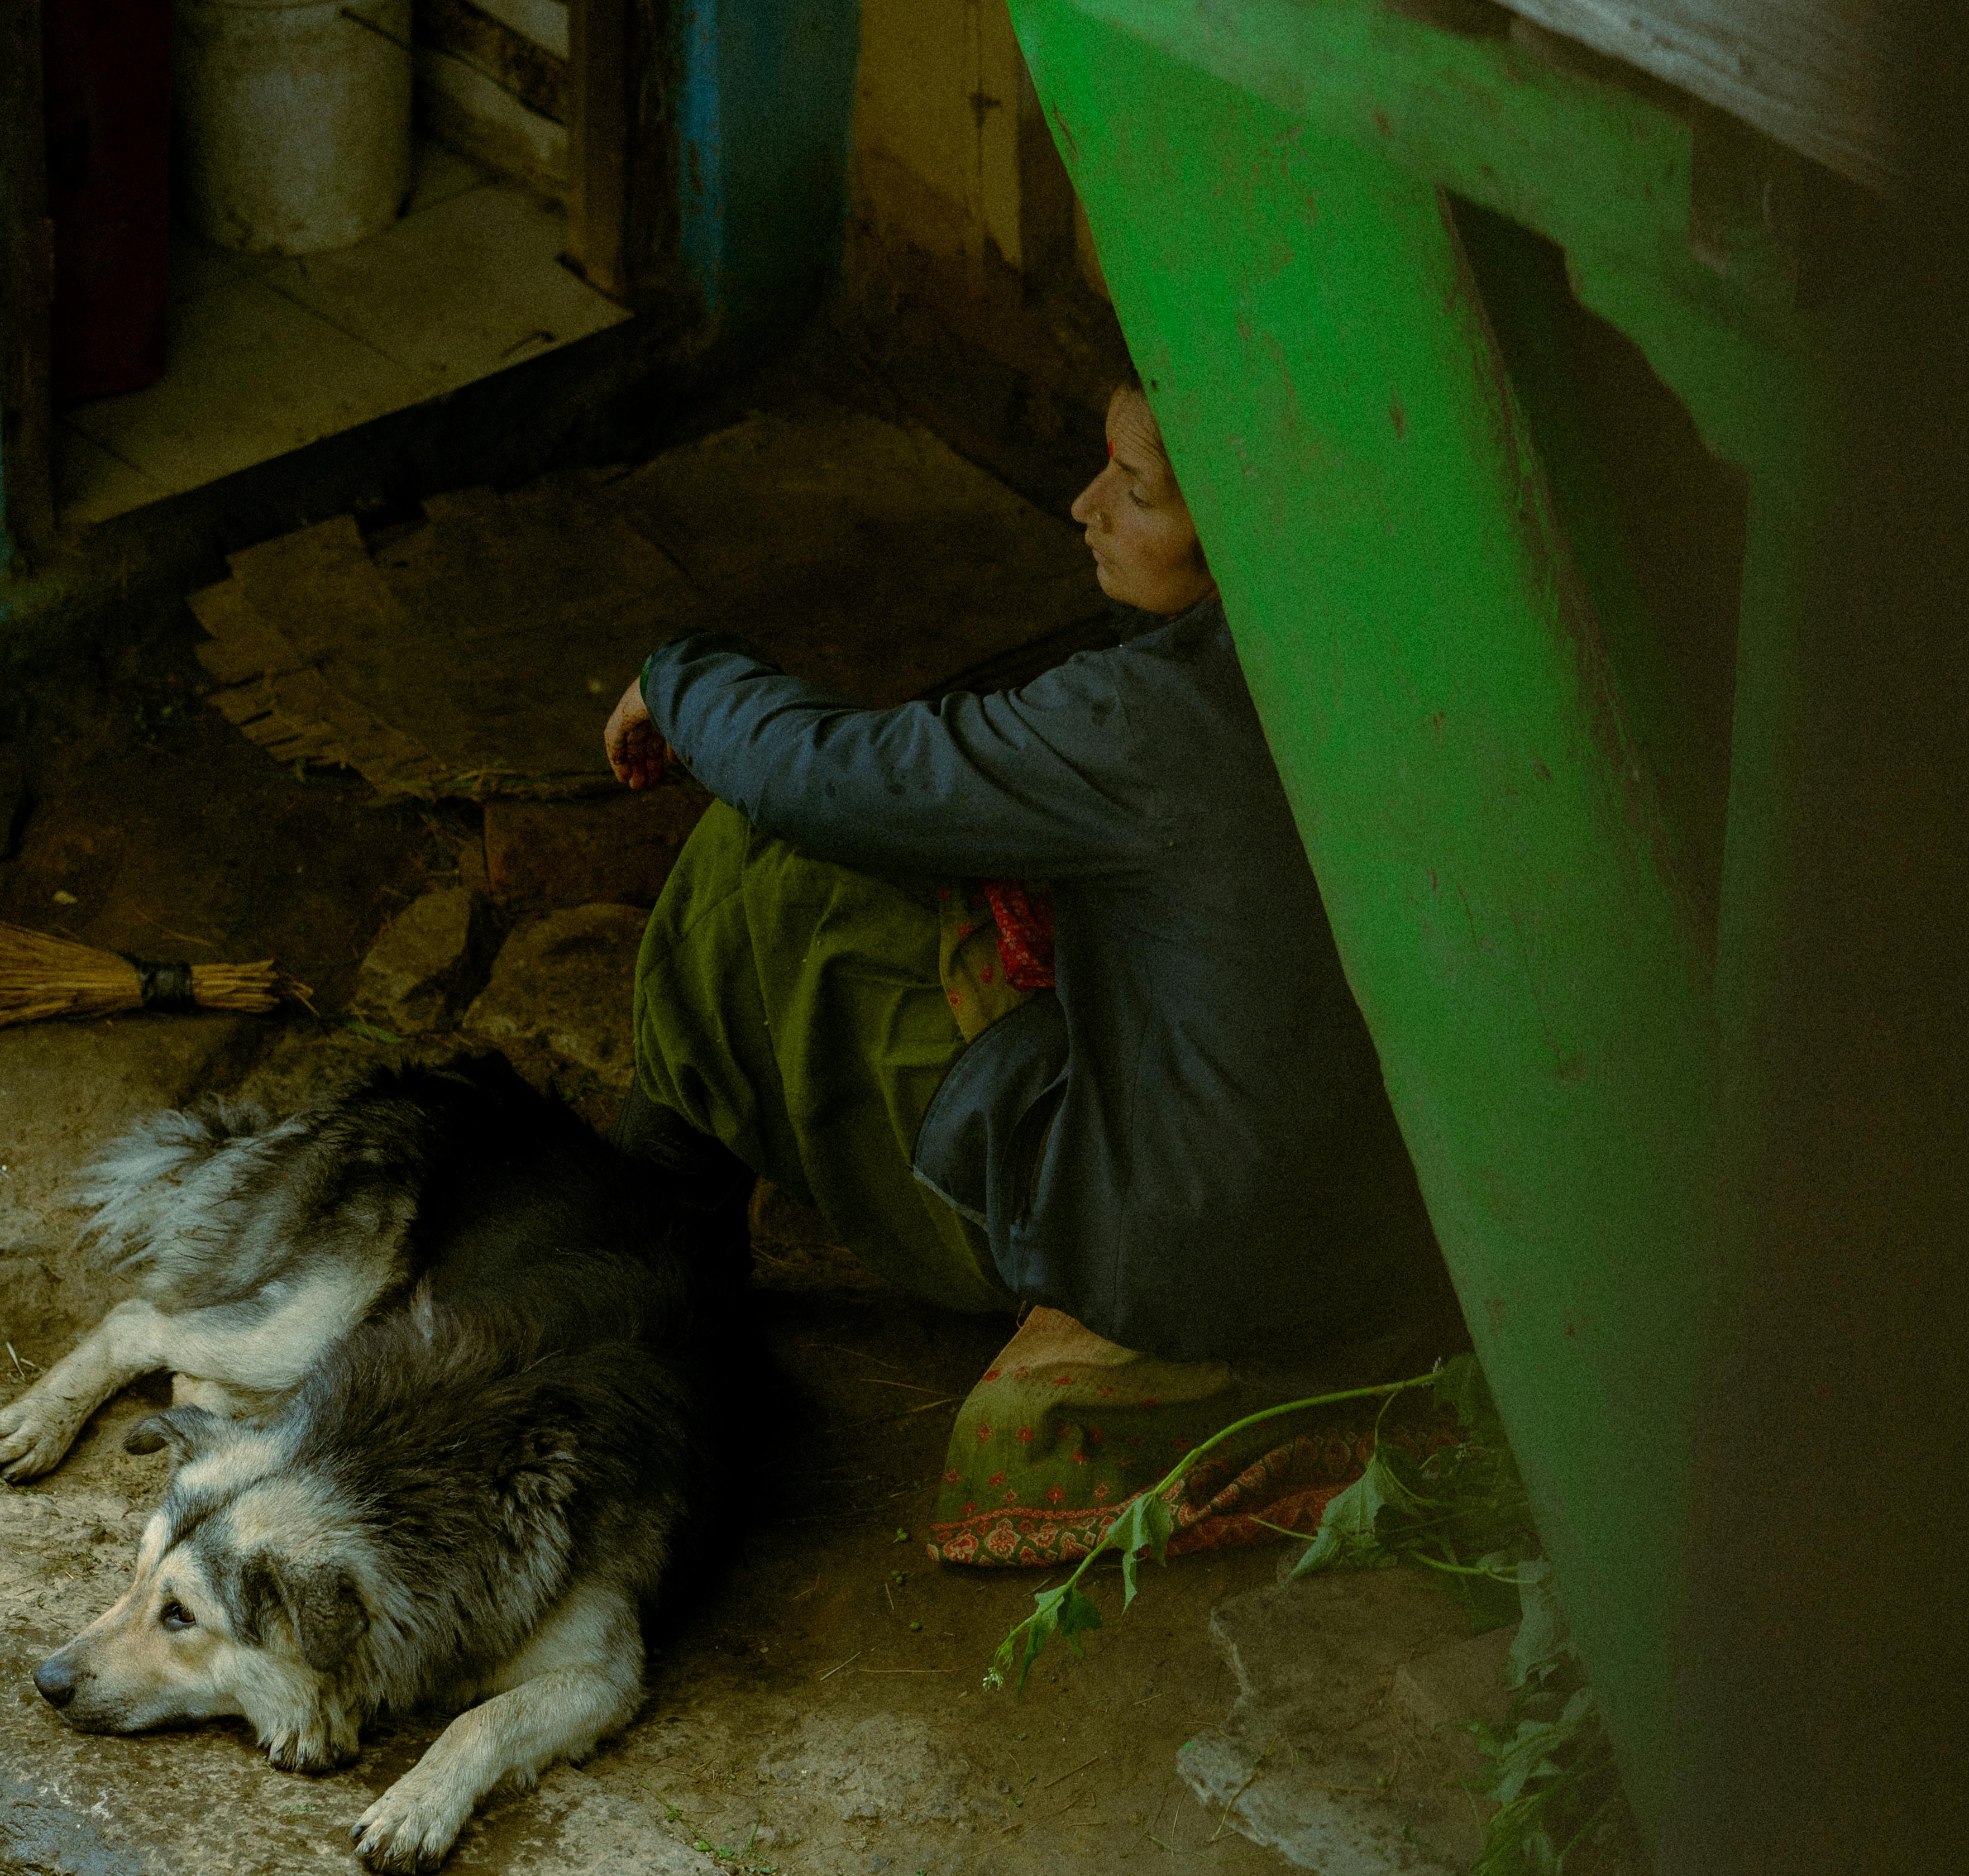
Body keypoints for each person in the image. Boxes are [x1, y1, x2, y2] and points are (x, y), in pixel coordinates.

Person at [602, 386, 1450, 1567]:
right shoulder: (1405, 644)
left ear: (1243, 537)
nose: (1084, 506)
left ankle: (654, 1239)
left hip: (1188, 1255)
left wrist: (682, 678)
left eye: (1136, 494)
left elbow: (825, 779)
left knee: (754, 862)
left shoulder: (1150, 723)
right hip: (1392, 1242)